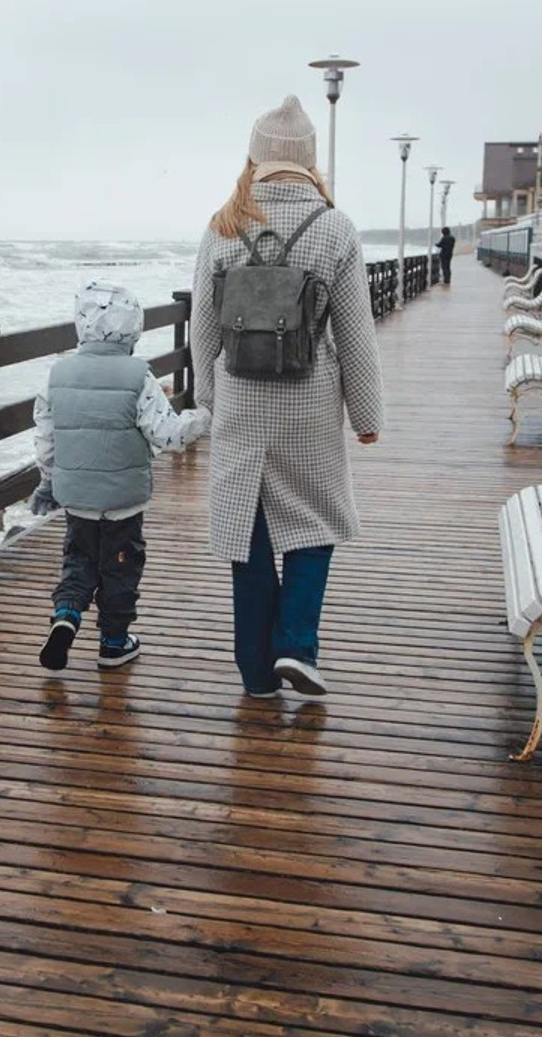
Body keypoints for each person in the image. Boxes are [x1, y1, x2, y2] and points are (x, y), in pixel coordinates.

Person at [190, 95, 384, 698]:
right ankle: (296, 646)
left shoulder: (223, 225)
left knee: (247, 536)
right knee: (315, 522)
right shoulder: (335, 228)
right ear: (309, 161)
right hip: (310, 404)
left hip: (243, 401)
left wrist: (210, 398)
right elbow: (356, 332)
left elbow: (202, 327)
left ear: (256, 158)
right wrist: (366, 414)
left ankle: (256, 672)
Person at [30, 280, 211, 671]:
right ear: (134, 325)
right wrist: (202, 417)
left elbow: (46, 441)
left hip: (76, 496)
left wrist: (49, 482)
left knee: (78, 560)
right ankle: (113, 643)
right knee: (121, 566)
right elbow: (168, 435)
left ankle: (66, 614)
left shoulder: (56, 374)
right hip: (123, 500)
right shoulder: (138, 376)